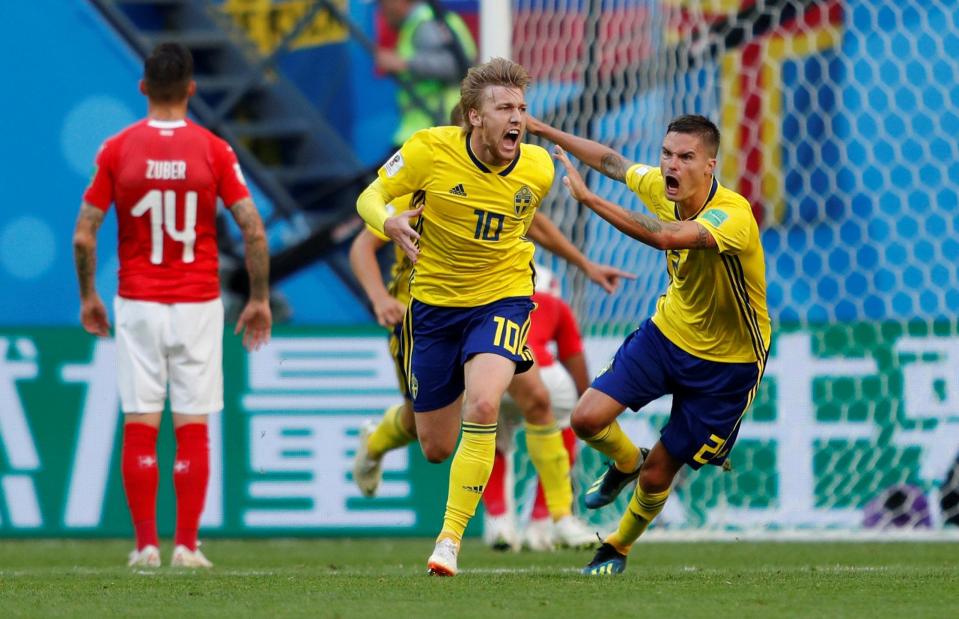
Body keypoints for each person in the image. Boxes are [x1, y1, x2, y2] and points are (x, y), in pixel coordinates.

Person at [356, 57, 602, 576]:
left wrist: (581, 262)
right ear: (473, 116)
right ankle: (377, 442)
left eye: (522, 108)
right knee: (436, 446)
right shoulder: (428, 152)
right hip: (434, 309)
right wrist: (389, 220)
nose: (517, 118)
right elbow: (370, 197)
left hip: (503, 300)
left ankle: (452, 539)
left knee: (489, 404)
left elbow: (530, 226)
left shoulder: (536, 168)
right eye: (504, 107)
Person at [528, 114, 770, 575]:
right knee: (585, 418)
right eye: (666, 154)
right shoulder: (662, 185)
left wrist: (588, 199)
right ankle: (624, 460)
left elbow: (663, 237)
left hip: (728, 364)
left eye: (685, 157)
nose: (671, 165)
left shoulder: (733, 216)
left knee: (661, 473)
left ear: (710, 165)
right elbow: (613, 162)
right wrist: (545, 130)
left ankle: (617, 546)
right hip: (668, 333)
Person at [72, 42, 271, 569]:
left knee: (141, 421)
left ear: (142, 88)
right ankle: (186, 545)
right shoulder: (213, 149)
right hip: (198, 301)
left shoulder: (117, 149)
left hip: (137, 301)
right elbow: (253, 228)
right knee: (192, 424)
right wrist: (258, 299)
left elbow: (84, 237)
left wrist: (89, 295)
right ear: (191, 90)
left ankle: (144, 546)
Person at [481, 265, 593, 552]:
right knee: (564, 427)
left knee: (493, 441)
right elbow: (573, 357)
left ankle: (499, 521)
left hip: (493, 371)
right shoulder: (556, 304)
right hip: (541, 372)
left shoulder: (489, 296)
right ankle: (545, 521)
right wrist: (589, 402)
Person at [375, 0, 477, 147]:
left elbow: (455, 66)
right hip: (429, 131)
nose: (381, 11)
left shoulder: (425, 23)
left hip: (435, 131)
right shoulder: (430, 19)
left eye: (382, 3)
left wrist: (404, 63)